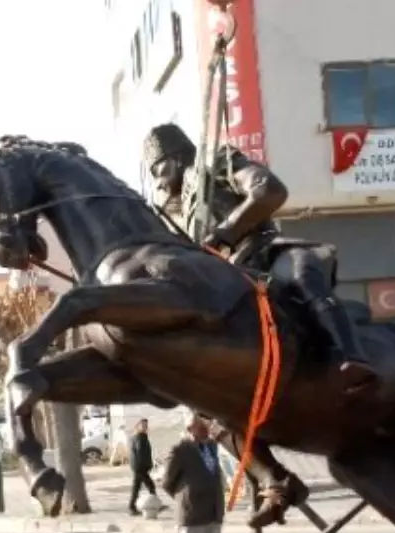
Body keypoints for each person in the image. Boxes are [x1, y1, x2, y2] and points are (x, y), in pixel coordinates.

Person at [142, 123, 377, 394]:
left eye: (157, 170)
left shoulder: (216, 162)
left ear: (176, 158)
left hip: (263, 251)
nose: (157, 182)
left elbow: (270, 190)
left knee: (302, 276)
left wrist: (223, 233)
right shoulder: (178, 210)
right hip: (228, 272)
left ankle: (352, 358)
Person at [127, 418, 156, 516]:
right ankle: (154, 504)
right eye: (143, 425)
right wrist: (147, 465)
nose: (145, 427)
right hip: (140, 467)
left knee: (137, 488)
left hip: (137, 467)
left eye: (146, 426)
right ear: (137, 426)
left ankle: (132, 507)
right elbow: (141, 453)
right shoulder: (140, 437)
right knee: (150, 486)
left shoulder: (134, 437)